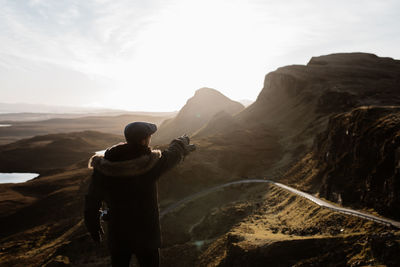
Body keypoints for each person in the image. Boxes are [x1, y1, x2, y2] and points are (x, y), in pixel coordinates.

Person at [84, 121, 195, 267]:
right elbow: (171, 156)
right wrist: (181, 142)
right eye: (149, 137)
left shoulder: (103, 167)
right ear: (144, 140)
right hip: (147, 236)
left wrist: (92, 223)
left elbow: (92, 199)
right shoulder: (150, 164)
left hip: (118, 235)